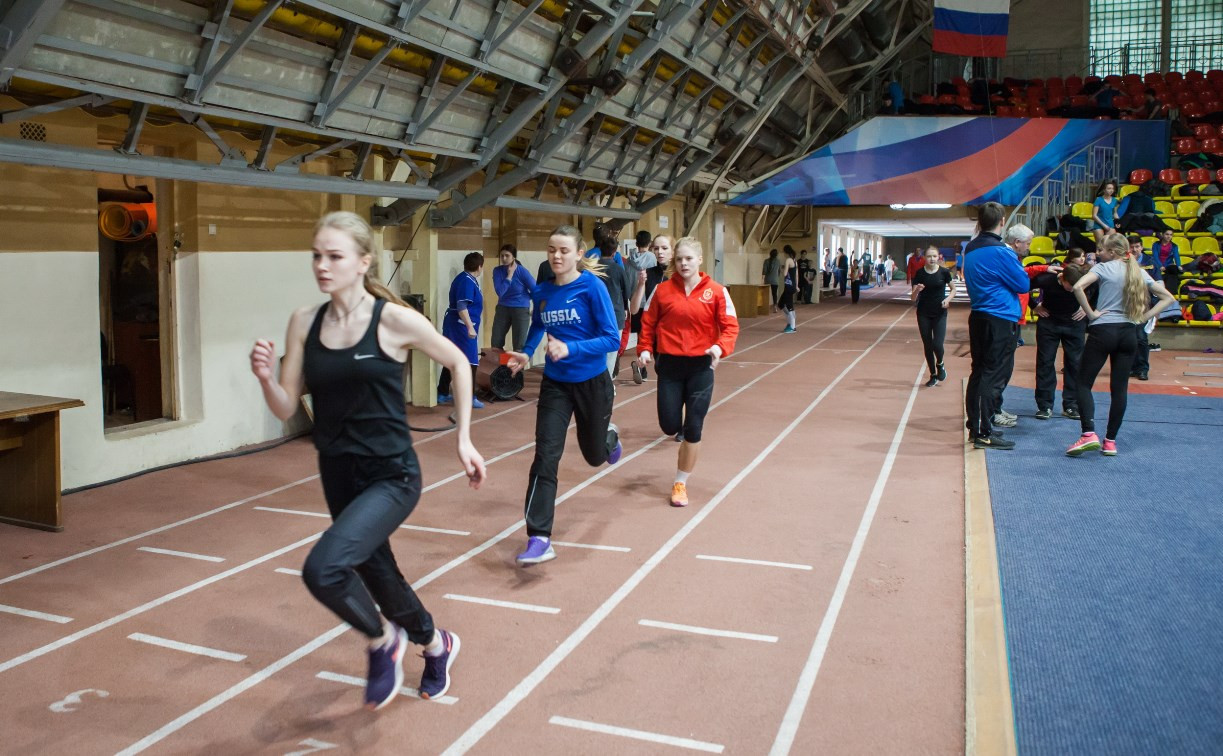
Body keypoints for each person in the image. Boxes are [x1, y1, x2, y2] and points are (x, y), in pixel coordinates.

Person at [249, 211, 486, 710]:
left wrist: (463, 438)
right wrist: (268, 379)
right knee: (380, 576)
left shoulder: (392, 320)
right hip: (336, 471)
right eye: (316, 255)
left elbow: (459, 361)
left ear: (363, 262)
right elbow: (288, 407)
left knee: (324, 568)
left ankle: (384, 641)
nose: (322, 265)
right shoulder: (303, 322)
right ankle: (436, 643)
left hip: (391, 475)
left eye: (334, 256)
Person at [505, 225, 623, 566]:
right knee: (546, 455)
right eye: (552, 250)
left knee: (593, 456)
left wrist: (571, 347)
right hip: (556, 384)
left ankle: (609, 439)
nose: (556, 256)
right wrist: (527, 352)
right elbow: (539, 324)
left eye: (564, 251)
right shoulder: (542, 291)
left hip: (592, 382)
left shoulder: (592, 287)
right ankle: (539, 536)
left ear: (579, 254)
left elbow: (612, 339)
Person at [636, 238, 739, 507]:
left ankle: (680, 482)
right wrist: (645, 348)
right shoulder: (661, 291)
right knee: (670, 425)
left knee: (694, 426)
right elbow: (648, 322)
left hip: (700, 367)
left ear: (699, 260)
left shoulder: (717, 292)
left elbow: (730, 327)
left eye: (689, 259)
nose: (683, 263)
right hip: (669, 365)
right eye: (679, 259)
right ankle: (678, 429)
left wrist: (719, 348)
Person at [1066, 233, 1177, 456]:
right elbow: (1168, 298)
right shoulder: (1137, 271)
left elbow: (1077, 287)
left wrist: (1091, 314)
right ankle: (1110, 442)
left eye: (1101, 250)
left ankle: (1088, 434)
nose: (1098, 253)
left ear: (1113, 252)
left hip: (1103, 331)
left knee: (1083, 382)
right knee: (1119, 389)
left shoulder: (1102, 269)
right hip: (1128, 333)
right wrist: (1143, 318)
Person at [963, 203, 1031, 450]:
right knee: (993, 375)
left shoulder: (970, 249)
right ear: (1002, 222)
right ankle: (983, 432)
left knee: (979, 372)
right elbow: (1023, 284)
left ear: (979, 222)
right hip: (999, 319)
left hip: (979, 316)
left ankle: (978, 427)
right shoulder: (1002, 251)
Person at [1029, 253, 1090, 420]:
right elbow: (1023, 286)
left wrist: (1087, 307)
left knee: (1075, 364)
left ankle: (1071, 405)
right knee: (1045, 362)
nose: (1072, 290)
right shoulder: (1047, 279)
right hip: (1049, 322)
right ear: (1062, 278)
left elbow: (1096, 289)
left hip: (1074, 324)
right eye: (1069, 286)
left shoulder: (1085, 279)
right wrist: (1034, 306)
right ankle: (1045, 405)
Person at [439, 252, 485, 408]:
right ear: (479, 267)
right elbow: (462, 307)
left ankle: (442, 391)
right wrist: (470, 327)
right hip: (461, 326)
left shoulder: (466, 279)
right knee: (471, 361)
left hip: (457, 324)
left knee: (451, 356)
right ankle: (469, 397)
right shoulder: (466, 281)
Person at [630, 234, 673, 383]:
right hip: (657, 333)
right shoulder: (648, 274)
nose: (660, 252)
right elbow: (634, 309)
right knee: (662, 371)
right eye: (656, 248)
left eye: (664, 248)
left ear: (673, 251)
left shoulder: (680, 273)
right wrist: (641, 284)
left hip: (675, 334)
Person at [911, 246, 953, 387]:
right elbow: (912, 298)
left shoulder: (944, 272)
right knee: (928, 345)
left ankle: (940, 363)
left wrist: (948, 300)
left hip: (940, 313)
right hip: (923, 313)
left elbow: (954, 289)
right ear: (925, 258)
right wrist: (917, 289)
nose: (932, 259)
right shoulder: (920, 274)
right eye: (929, 256)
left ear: (938, 257)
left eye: (934, 256)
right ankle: (933, 374)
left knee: (937, 344)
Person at [490, 243, 535, 355]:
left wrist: (527, 298)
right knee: (496, 342)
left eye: (507, 255)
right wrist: (509, 276)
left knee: (519, 345)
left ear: (513, 257)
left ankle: (518, 372)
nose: (504, 258)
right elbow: (500, 292)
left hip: (520, 309)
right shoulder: (497, 271)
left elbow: (535, 290)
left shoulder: (521, 271)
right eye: (502, 256)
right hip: (503, 307)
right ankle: (499, 371)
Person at [1148, 228, 1182, 296]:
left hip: (1168, 265)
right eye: (1167, 234)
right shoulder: (1156, 244)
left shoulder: (1174, 246)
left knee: (1174, 269)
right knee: (1171, 275)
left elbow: (1176, 256)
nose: (1169, 236)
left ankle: (1171, 292)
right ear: (1163, 234)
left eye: (1171, 235)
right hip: (1157, 264)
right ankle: (1168, 291)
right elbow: (1155, 256)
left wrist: (1179, 265)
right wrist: (1160, 266)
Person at [1091, 178, 1120, 243]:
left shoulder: (1114, 200)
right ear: (1104, 190)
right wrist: (1104, 225)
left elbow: (1115, 213)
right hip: (1099, 225)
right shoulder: (1098, 199)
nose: (1111, 190)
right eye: (1109, 188)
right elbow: (1094, 216)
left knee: (1111, 245)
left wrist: (1118, 222)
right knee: (1100, 246)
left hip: (1110, 224)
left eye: (1112, 189)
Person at [779, 248, 798, 331]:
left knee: (789, 306)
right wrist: (797, 286)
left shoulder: (788, 260)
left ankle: (792, 326)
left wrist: (782, 268)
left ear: (786, 252)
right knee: (781, 304)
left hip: (789, 286)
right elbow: (796, 275)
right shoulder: (795, 261)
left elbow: (785, 273)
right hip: (792, 286)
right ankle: (790, 323)